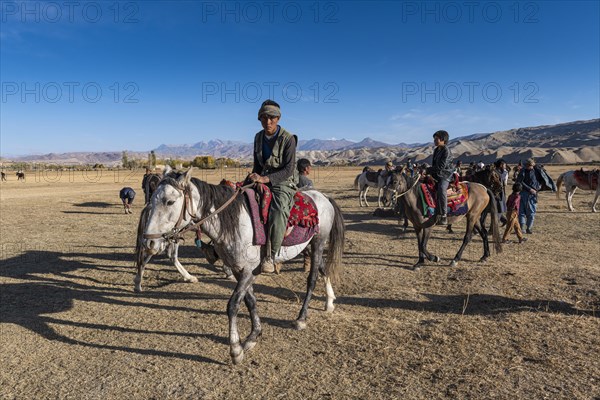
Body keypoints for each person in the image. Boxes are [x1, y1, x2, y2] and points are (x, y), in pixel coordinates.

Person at [249, 100, 299, 273]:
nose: (267, 122)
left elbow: (288, 169)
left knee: (277, 210)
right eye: (263, 118)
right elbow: (257, 164)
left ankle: (271, 255)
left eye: (271, 118)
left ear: (278, 118)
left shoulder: (288, 139)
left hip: (284, 181)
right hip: (262, 176)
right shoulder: (258, 137)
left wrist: (265, 179)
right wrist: (253, 178)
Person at [427, 130, 454, 225]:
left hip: (445, 175)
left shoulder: (446, 151)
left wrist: (428, 170)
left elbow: (441, 167)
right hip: (436, 174)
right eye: (434, 139)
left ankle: (444, 214)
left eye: (436, 139)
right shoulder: (436, 150)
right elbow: (434, 165)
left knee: (442, 189)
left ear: (443, 140)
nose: (434, 140)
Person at [516, 158, 541, 234]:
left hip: (533, 194)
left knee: (531, 212)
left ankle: (529, 228)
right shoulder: (522, 172)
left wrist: (538, 187)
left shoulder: (536, 171)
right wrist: (530, 189)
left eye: (531, 165)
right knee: (522, 212)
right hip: (524, 193)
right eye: (529, 165)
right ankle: (522, 228)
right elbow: (520, 182)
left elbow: (539, 181)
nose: (531, 167)